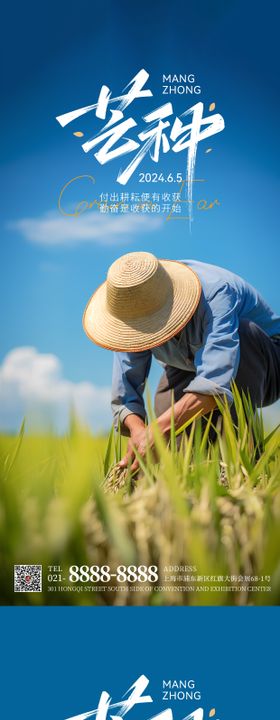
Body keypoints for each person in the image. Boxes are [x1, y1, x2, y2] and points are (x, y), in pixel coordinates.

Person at [83, 251, 280, 471]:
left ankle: (242, 463)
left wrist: (160, 429)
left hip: (266, 360)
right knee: (168, 413)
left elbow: (216, 380)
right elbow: (125, 393)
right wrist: (140, 433)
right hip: (189, 365)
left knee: (244, 333)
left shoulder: (216, 292)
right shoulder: (129, 311)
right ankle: (191, 477)